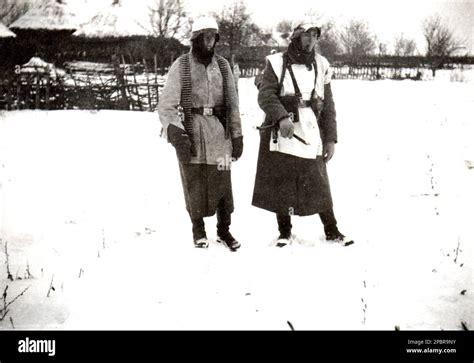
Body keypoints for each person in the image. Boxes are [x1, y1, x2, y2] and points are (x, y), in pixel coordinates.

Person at [252, 17, 353, 247]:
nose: (311, 40)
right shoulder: (276, 62)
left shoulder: (321, 64)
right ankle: (284, 233)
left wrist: (331, 139)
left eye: (315, 35)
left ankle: (332, 230)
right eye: (307, 35)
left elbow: (328, 105)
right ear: (296, 36)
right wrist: (280, 117)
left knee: (318, 180)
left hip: (310, 127)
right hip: (282, 130)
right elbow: (266, 94)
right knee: (283, 181)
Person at [158, 16, 243, 251]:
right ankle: (198, 230)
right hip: (191, 131)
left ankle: (224, 230)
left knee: (223, 182)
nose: (210, 41)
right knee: (194, 182)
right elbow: (166, 105)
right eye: (205, 36)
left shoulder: (223, 66)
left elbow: (233, 105)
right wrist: (176, 133)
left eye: (213, 36)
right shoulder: (182, 65)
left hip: (219, 132)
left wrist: (237, 135)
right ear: (196, 38)